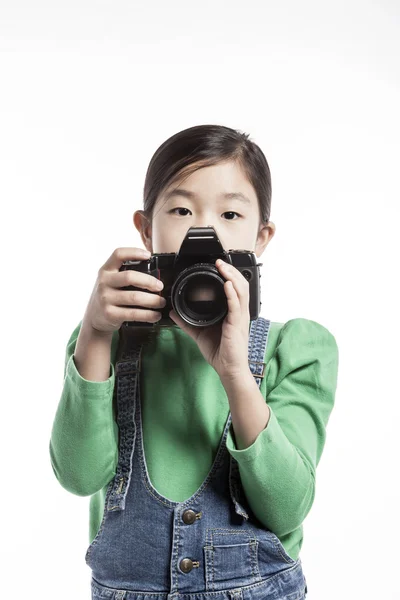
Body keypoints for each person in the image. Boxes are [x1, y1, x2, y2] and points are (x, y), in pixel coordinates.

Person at [49, 124, 338, 600]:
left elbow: (287, 507)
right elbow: (78, 477)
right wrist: (96, 333)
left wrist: (235, 374)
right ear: (146, 229)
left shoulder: (296, 348)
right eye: (182, 209)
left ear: (261, 237)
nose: (204, 231)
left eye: (230, 212)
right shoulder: (105, 344)